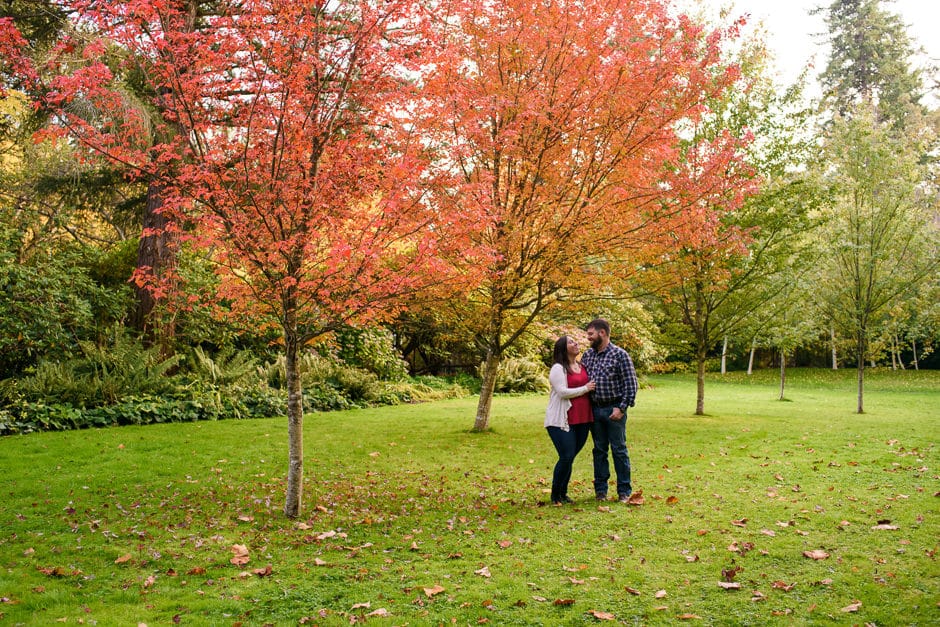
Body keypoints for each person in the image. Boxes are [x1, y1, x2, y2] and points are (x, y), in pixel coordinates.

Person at [581, 318, 638, 503]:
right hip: (595, 411)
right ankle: (601, 491)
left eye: (591, 334)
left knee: (619, 450)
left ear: (602, 333)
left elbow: (631, 385)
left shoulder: (620, 355)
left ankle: (624, 491)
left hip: (614, 410)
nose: (588, 337)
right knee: (599, 451)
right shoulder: (588, 356)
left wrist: (621, 408)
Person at [544, 335, 595, 506]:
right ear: (563, 348)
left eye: (575, 341)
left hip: (583, 418)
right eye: (571, 342)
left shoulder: (582, 366)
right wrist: (585, 388)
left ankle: (563, 493)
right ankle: (555, 494)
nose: (576, 343)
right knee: (566, 456)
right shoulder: (558, 368)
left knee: (570, 457)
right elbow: (562, 392)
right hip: (561, 420)